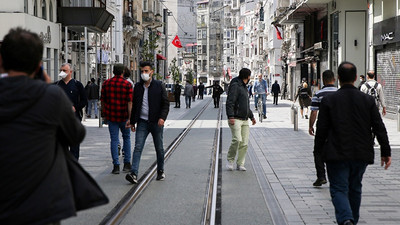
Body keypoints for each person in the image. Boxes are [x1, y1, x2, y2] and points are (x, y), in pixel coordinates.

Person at [0, 27, 108, 225]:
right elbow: (75, 135)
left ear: (1, 61)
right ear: (39, 65)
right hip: (40, 205)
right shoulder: (52, 95)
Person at [315, 61, 391, 225]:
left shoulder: (329, 100)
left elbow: (321, 129)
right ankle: (351, 221)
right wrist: (386, 151)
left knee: (338, 189)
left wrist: (318, 152)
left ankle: (346, 219)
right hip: (360, 154)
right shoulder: (367, 100)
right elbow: (379, 127)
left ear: (338, 78)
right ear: (356, 78)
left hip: (336, 153)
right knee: (355, 188)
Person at [125, 61, 170, 184]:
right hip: (142, 122)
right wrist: (132, 121)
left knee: (159, 148)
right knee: (138, 147)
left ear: (151, 72)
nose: (143, 73)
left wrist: (162, 118)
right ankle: (134, 173)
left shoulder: (159, 85)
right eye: (142, 71)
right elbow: (135, 106)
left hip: (156, 122)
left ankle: (160, 171)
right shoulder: (138, 87)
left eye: (146, 71)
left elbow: (165, 104)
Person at [101, 64, 133, 174]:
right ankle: (127, 163)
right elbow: (129, 102)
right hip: (124, 116)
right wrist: (130, 117)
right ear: (123, 71)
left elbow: (103, 101)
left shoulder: (106, 84)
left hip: (112, 117)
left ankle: (116, 165)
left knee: (114, 140)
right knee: (127, 138)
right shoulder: (127, 84)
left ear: (113, 71)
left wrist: (104, 115)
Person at [308, 70, 338, 187]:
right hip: (337, 127)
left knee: (318, 152)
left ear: (323, 80)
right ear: (334, 79)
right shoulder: (339, 93)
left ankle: (321, 176)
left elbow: (314, 112)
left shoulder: (318, 94)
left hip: (323, 127)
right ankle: (336, 176)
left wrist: (310, 126)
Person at [226, 68, 256, 171]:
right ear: (247, 76)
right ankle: (230, 160)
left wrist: (251, 117)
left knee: (244, 143)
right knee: (237, 139)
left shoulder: (244, 87)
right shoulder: (236, 86)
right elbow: (230, 101)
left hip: (245, 119)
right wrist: (230, 116)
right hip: (236, 118)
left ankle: (240, 163)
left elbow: (245, 104)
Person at [56, 62, 87, 160]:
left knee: (74, 145)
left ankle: (73, 165)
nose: (62, 72)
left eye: (64, 70)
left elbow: (84, 100)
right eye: (61, 70)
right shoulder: (57, 85)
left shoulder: (77, 85)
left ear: (70, 72)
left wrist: (75, 107)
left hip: (74, 118)